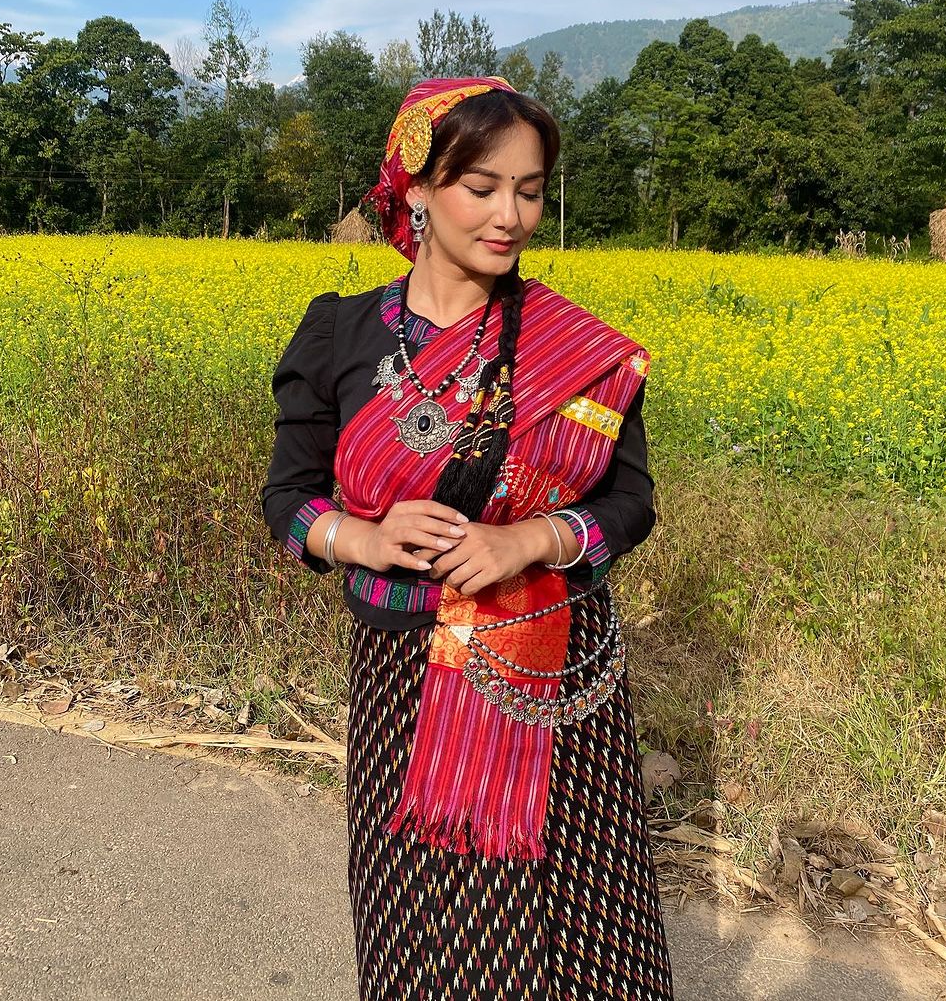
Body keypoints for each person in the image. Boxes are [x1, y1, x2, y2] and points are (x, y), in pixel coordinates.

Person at [261, 76, 676, 1000]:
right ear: (416, 188)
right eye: (481, 187)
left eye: (529, 191)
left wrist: (530, 538)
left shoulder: (579, 352)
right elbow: (287, 497)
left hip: (552, 673)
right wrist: (357, 538)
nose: (510, 215)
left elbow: (631, 504)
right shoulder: (340, 333)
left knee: (573, 912)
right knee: (421, 911)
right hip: (403, 672)